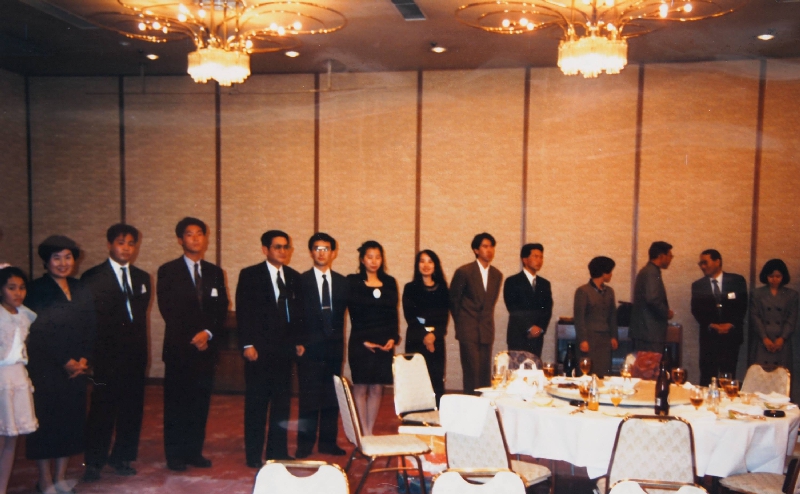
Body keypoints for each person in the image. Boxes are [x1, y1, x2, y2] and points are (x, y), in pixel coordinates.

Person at [25, 236, 96, 494]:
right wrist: (65, 361)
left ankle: (61, 476)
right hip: (47, 368)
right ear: (46, 261)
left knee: (70, 422)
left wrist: (84, 359)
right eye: (57, 258)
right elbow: (38, 331)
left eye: (68, 257)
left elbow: (91, 325)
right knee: (46, 423)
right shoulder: (35, 289)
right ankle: (44, 479)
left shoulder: (80, 288)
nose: (63, 263)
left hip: (76, 369)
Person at [157, 217, 229, 471]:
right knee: (176, 404)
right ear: (180, 240)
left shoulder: (215, 272)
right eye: (190, 234)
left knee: (200, 404)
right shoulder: (168, 270)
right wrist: (194, 336)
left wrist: (207, 333)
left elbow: (221, 308)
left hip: (206, 349)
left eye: (200, 233)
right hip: (180, 348)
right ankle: (175, 455)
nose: (196, 238)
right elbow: (168, 309)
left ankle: (194, 452)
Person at [81, 224, 151, 481]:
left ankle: (122, 457)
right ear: (110, 244)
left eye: (131, 243)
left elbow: (138, 318)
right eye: (121, 243)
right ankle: (94, 462)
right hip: (106, 355)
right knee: (102, 409)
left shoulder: (142, 277)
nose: (126, 248)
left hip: (135, 355)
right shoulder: (93, 276)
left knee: (131, 409)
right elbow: (89, 319)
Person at [237, 230, 305, 466]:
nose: (283, 251)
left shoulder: (294, 277)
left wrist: (298, 341)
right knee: (256, 404)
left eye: (286, 247)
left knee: (282, 404)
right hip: (258, 350)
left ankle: (277, 451)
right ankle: (253, 455)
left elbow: (298, 314)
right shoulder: (250, 275)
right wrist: (247, 344)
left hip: (284, 351)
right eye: (277, 247)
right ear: (265, 249)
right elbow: (243, 312)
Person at [296, 233, 348, 457]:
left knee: (331, 398)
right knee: (308, 399)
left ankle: (328, 443)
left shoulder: (342, 282)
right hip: (309, 349)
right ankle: (304, 445)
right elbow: (294, 316)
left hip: (334, 349)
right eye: (317, 248)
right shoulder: (300, 281)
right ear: (311, 252)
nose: (321, 253)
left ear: (333, 253)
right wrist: (297, 341)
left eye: (325, 248)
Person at [347, 241, 398, 435]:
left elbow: (392, 313)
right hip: (361, 342)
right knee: (361, 387)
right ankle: (362, 432)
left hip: (384, 344)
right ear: (362, 259)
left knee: (377, 388)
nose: (374, 261)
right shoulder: (353, 281)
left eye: (378, 257)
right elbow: (353, 314)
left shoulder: (390, 282)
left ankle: (369, 431)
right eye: (370, 257)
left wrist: (393, 337)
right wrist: (363, 340)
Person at [449, 233, 503, 395]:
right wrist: (462, 323)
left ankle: (483, 406)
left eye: (491, 246)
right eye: (485, 246)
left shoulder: (497, 275)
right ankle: (470, 405)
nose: (489, 250)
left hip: (486, 329)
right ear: (476, 250)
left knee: (485, 374)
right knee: (471, 373)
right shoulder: (464, 272)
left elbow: (490, 304)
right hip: (468, 329)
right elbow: (453, 301)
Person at [0, 267, 38, 494]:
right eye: (11, 288)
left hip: (17, 378)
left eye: (22, 288)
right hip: (1, 379)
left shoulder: (25, 315)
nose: (18, 293)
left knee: (11, 439)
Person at [690, 249, 748, 385]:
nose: (702, 266)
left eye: (705, 262)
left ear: (717, 262)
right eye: (700, 263)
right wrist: (712, 324)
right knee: (707, 378)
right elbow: (696, 310)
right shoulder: (698, 285)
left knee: (728, 377)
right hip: (709, 338)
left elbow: (743, 305)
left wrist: (731, 323)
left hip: (731, 337)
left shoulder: (737, 281)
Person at [403, 250, 449, 404]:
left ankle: (436, 414)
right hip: (416, 339)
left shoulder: (443, 288)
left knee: (436, 380)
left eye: (430, 261)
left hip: (437, 341)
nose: (426, 265)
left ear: (435, 265)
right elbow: (410, 316)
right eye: (422, 261)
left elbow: (443, 318)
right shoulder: (410, 288)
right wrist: (425, 336)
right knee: (416, 380)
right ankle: (415, 415)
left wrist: (433, 336)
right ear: (417, 265)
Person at [504, 243, 553, 358]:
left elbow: (547, 309)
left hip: (537, 337)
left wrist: (540, 328)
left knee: (534, 367)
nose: (539, 260)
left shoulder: (544, 284)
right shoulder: (512, 281)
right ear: (525, 260)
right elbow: (513, 308)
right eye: (535, 256)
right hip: (518, 334)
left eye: (541, 257)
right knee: (517, 368)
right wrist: (530, 327)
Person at [574, 257, 619, 378]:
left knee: (604, 373)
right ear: (603, 272)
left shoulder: (610, 291)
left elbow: (612, 316)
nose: (611, 274)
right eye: (610, 271)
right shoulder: (583, 291)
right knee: (587, 373)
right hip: (589, 339)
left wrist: (614, 336)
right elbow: (579, 318)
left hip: (605, 340)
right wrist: (583, 339)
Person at [750, 259, 798, 369]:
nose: (774, 279)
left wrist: (782, 338)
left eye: (778, 276)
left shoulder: (792, 295)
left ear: (783, 276)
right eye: (771, 276)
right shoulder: (757, 294)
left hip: (782, 342)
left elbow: (791, 319)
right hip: (762, 341)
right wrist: (764, 338)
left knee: (781, 373)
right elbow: (755, 317)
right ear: (766, 276)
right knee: (760, 373)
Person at [630, 241, 674, 353]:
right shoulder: (652, 273)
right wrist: (666, 313)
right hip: (650, 333)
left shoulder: (648, 271)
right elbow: (652, 299)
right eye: (670, 255)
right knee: (650, 363)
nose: (671, 259)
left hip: (645, 331)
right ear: (661, 256)